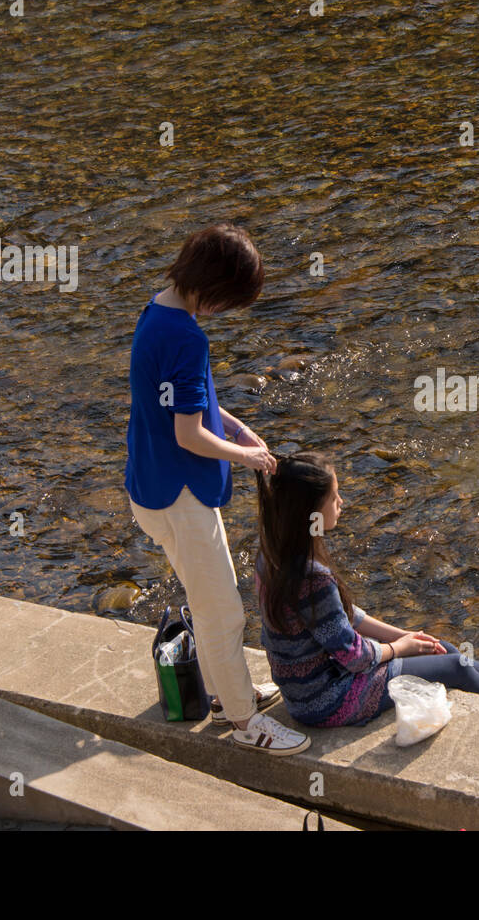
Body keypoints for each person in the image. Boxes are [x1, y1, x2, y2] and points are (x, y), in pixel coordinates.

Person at [125, 224, 310, 755]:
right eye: (229, 300)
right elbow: (188, 433)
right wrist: (246, 455)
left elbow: (188, 398)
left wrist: (234, 424)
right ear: (214, 284)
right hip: (177, 495)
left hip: (152, 483)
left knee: (212, 600)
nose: (224, 311)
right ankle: (245, 724)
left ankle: (229, 694)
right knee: (222, 610)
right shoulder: (186, 334)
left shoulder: (158, 312)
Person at [253, 452, 479, 727]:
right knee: (454, 664)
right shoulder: (312, 577)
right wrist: (399, 648)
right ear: (310, 512)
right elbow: (356, 656)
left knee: (444, 649)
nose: (342, 502)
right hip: (330, 701)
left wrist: (408, 636)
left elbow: (346, 617)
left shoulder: (272, 555)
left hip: (307, 694)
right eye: (334, 497)